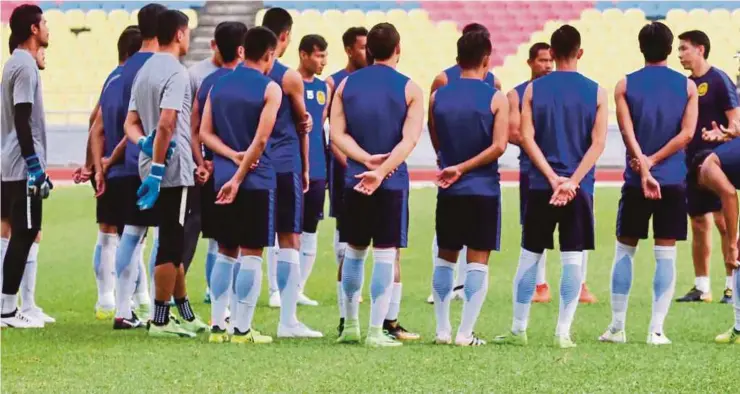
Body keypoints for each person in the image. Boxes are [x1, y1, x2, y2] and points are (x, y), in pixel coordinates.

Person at [493, 24, 607, 348]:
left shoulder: (533, 90)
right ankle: (563, 333)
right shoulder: (597, 91)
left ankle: (518, 329)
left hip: (542, 186)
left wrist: (552, 177)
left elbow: (526, 137)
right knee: (572, 258)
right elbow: (598, 144)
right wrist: (572, 181)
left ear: (552, 54)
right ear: (580, 53)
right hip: (579, 187)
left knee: (530, 255)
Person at [599, 22, 698, 346]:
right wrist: (654, 163)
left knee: (625, 249)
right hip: (671, 180)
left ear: (641, 48)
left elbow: (627, 132)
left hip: (636, 180)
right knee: (665, 253)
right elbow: (686, 135)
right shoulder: (687, 87)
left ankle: (617, 327)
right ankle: (656, 329)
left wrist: (642, 164)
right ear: (670, 50)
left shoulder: (624, 85)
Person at [331, 22, 424, 347]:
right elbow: (409, 140)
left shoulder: (344, 86)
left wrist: (366, 161)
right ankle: (375, 330)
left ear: (368, 50)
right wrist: (382, 168)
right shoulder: (410, 88)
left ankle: (351, 326)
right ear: (398, 49)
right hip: (391, 182)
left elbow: (336, 134)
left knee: (354, 252)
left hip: (355, 179)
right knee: (385, 254)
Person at [124, 9, 208, 338]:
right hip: (173, 169)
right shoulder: (176, 72)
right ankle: (160, 320)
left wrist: (143, 145)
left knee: (171, 238)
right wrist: (159, 168)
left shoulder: (144, 71)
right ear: (179, 34)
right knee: (172, 244)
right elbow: (167, 122)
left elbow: (130, 124)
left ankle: (184, 311)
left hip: (154, 166)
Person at [200, 26, 281, 344]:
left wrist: (230, 156)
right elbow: (260, 140)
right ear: (270, 54)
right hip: (255, 181)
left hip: (221, 178)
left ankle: (218, 325)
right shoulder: (270, 89)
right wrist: (240, 174)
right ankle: (243, 329)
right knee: (251, 253)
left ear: (244, 50)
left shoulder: (218, 85)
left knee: (224, 251)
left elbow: (205, 133)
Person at [429, 31, 508, 346]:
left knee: (445, 258)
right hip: (483, 188)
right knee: (477, 260)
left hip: (449, 188)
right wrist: (464, 167)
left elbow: (435, 137)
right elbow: (499, 145)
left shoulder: (439, 96)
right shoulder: (495, 97)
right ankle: (465, 332)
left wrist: (451, 163)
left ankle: (442, 330)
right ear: (486, 58)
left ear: (458, 57)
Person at [260, 8, 323, 338]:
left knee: (242, 244)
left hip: (250, 165)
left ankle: (229, 316)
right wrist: (307, 167)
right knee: (290, 238)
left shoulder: (238, 74)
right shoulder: (288, 77)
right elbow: (303, 125)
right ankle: (288, 320)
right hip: (284, 165)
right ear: (285, 36)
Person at [110, 2, 166, 330]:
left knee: (130, 235)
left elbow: (107, 120)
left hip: (126, 163)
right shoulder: (160, 68)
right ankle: (160, 306)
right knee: (165, 234)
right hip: (152, 162)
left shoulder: (122, 69)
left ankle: (121, 306)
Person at [675, 30, 740, 304]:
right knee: (699, 223)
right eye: (678, 50)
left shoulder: (719, 79)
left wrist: (724, 134)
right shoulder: (686, 85)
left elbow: (736, 124)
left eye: (684, 49)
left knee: (724, 223)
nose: (679, 55)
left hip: (718, 161)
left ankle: (730, 285)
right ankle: (702, 287)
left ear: (700, 49)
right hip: (692, 161)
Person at [191, 20, 248, 326]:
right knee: (242, 245)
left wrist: (202, 161)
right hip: (243, 171)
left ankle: (218, 308)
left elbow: (195, 127)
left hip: (214, 170)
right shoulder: (251, 82)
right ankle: (236, 312)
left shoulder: (208, 83)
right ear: (242, 48)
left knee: (218, 241)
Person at [0, 4, 52, 328]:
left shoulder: (15, 63)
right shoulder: (25, 65)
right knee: (26, 231)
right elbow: (22, 116)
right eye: (45, 22)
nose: (48, 28)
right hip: (21, 166)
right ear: (33, 29)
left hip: (13, 163)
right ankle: (7, 310)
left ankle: (12, 307)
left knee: (22, 231)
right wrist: (34, 165)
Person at [88, 26, 145, 320]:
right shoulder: (136, 80)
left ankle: (106, 299)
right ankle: (132, 302)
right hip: (128, 165)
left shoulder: (110, 80)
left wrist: (96, 167)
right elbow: (132, 129)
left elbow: (95, 125)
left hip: (109, 172)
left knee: (107, 233)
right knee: (134, 235)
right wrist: (109, 161)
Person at [325, 26, 367, 334]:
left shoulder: (375, 82)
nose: (368, 52)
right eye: (362, 47)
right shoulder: (335, 83)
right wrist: (351, 162)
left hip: (372, 170)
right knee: (346, 242)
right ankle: (345, 314)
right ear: (349, 50)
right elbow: (331, 133)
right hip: (346, 173)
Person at [507, 42, 554, 304]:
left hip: (564, 168)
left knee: (577, 226)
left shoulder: (559, 90)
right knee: (534, 225)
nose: (547, 65)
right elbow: (513, 132)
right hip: (531, 169)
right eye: (542, 61)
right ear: (530, 63)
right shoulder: (517, 94)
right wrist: (539, 145)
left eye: (550, 60)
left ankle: (579, 284)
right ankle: (539, 283)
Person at [690, 122, 740, 343]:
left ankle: (739, 330)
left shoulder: (709, 166)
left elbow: (729, 195)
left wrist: (731, 244)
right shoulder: (727, 156)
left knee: (738, 257)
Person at [186, 24, 225, 298]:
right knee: (184, 230)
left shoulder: (234, 76)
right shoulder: (195, 75)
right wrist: (199, 162)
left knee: (217, 237)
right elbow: (190, 124)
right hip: (201, 165)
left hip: (219, 164)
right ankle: (167, 292)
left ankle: (214, 290)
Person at [296, 34, 329, 306]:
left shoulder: (323, 88)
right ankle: (276, 289)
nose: (322, 61)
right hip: (291, 165)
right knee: (285, 229)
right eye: (318, 55)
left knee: (310, 228)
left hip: (318, 167)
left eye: (325, 56)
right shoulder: (286, 84)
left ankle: (298, 288)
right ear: (303, 54)